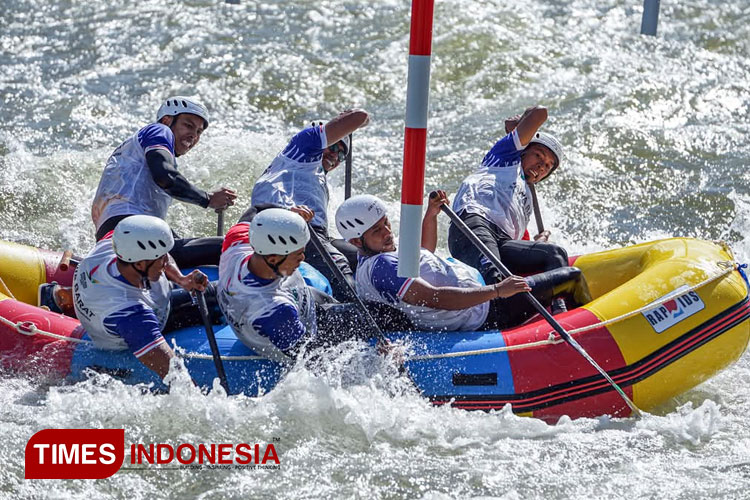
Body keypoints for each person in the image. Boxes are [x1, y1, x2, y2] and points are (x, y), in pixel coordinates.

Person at [335, 193, 582, 331]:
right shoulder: (383, 269)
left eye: (386, 223)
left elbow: (424, 253)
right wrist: (497, 291)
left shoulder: (378, 254)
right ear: (357, 242)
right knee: (571, 276)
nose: (387, 232)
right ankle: (570, 325)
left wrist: (430, 215)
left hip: (479, 293)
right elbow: (436, 298)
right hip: (485, 311)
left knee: (550, 261)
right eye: (377, 231)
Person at [449, 105, 570, 314]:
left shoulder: (527, 200)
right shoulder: (506, 156)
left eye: (548, 166)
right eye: (538, 156)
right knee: (496, 278)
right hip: (473, 224)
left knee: (555, 254)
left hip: (502, 241)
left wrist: (537, 243)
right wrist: (522, 122)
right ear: (523, 151)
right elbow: (540, 113)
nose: (542, 166)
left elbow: (519, 246)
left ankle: (560, 311)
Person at [217, 207, 379, 364]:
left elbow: (256, 209)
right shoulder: (274, 310)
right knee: (384, 314)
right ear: (273, 259)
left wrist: (288, 216)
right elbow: (311, 358)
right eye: (297, 254)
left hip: (303, 299)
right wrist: (375, 358)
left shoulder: (237, 244)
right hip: (312, 326)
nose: (302, 258)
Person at [90, 96, 237, 267]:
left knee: (191, 247)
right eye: (188, 125)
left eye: (199, 132)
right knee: (232, 246)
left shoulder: (134, 152)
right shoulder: (159, 131)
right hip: (132, 230)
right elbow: (166, 177)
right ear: (167, 120)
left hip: (116, 235)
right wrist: (208, 199)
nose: (193, 136)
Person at [249, 109, 369, 301]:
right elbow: (360, 117)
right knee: (341, 269)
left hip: (315, 234)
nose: (335, 156)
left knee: (366, 255)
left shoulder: (311, 175)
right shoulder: (301, 149)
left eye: (341, 155)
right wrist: (352, 120)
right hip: (290, 227)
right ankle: (355, 318)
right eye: (333, 146)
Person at [72, 215, 210, 381]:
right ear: (139, 264)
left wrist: (181, 279)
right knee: (214, 294)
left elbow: (160, 254)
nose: (166, 262)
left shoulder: (112, 246)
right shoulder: (132, 314)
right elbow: (177, 378)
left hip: (109, 306)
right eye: (161, 259)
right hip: (131, 332)